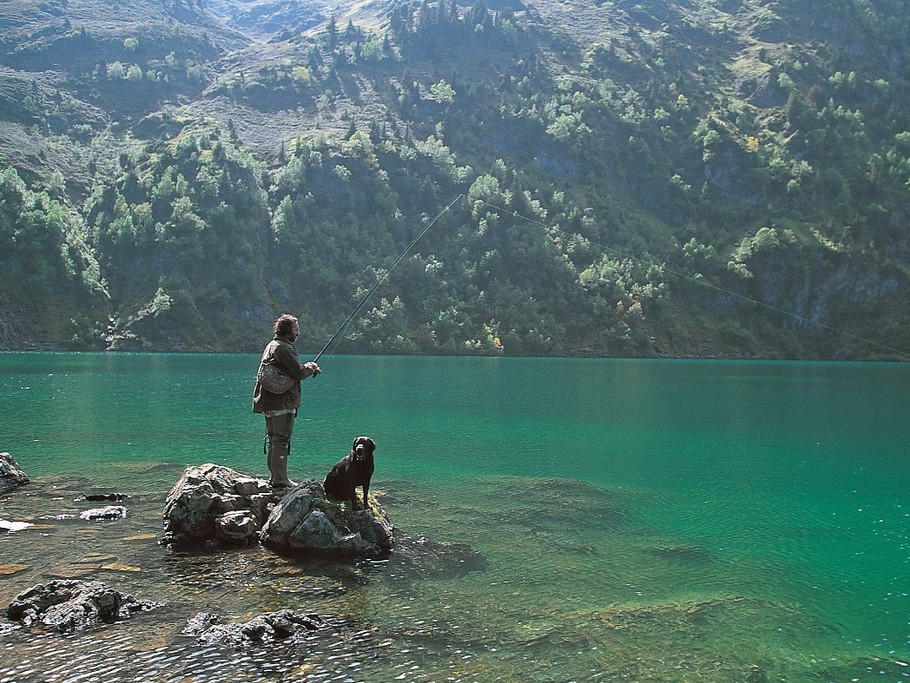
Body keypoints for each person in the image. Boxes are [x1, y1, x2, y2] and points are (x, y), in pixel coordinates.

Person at [253, 314, 320, 488]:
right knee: (281, 439)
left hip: (268, 401)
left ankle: (275, 477)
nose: (298, 333)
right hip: (281, 402)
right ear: (286, 331)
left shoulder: (272, 345)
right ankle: (280, 479)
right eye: (296, 329)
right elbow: (297, 372)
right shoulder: (284, 348)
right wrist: (310, 367)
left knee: (273, 438)